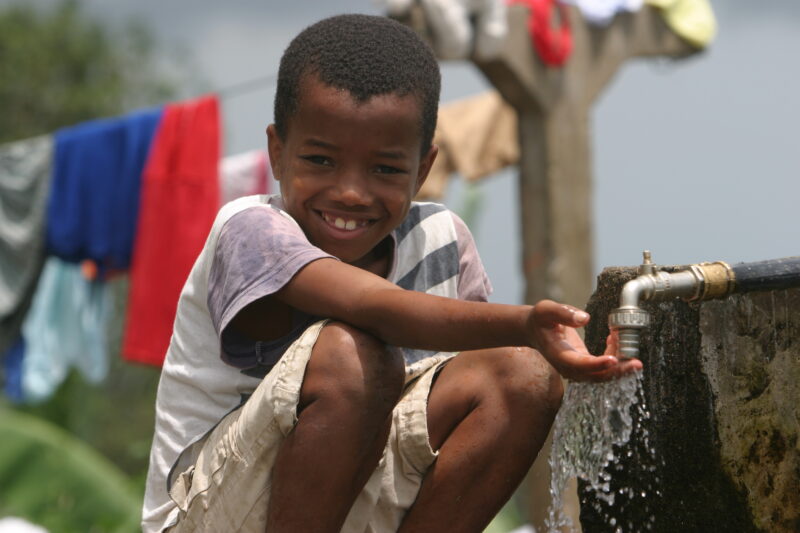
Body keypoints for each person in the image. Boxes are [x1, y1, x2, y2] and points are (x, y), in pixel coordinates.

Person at [141, 13, 641, 533]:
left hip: (362, 494)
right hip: (209, 511)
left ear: (422, 170)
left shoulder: (443, 241)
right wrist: (525, 323)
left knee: (522, 375)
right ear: (277, 152)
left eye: (384, 169)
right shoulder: (250, 230)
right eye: (320, 160)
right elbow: (369, 305)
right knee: (352, 354)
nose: (351, 192)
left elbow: (477, 379)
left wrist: (558, 355)